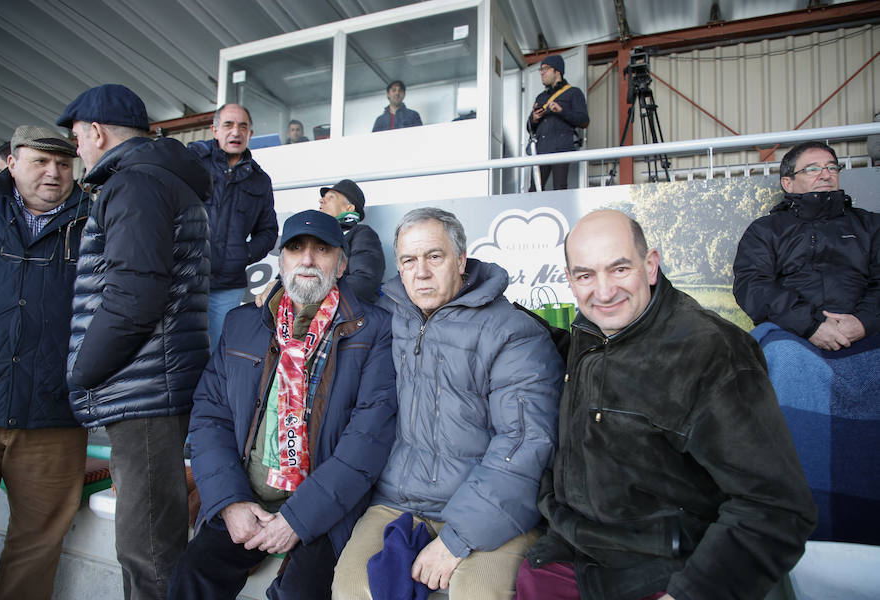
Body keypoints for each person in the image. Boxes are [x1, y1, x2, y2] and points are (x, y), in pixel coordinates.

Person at [515, 210, 816, 600]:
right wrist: (476, 297)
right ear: (571, 280)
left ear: (651, 265)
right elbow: (582, 356)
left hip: (663, 571)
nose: (604, 291)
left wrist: (690, 594)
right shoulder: (592, 331)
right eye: (586, 275)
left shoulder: (711, 352)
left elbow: (776, 507)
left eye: (620, 269)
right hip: (571, 552)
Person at [332, 208, 563, 600]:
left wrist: (456, 539)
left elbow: (524, 444)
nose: (421, 272)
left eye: (434, 257)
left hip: (495, 508)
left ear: (460, 259)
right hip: (396, 500)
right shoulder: (385, 319)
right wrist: (273, 296)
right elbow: (317, 309)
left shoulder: (513, 333)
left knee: (477, 594)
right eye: (408, 260)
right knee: (352, 590)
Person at [170, 209, 397, 600]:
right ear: (281, 261)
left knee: (299, 593)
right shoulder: (244, 324)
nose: (308, 259)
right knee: (192, 577)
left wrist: (300, 518)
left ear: (341, 264)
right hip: (249, 496)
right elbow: (210, 418)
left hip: (327, 507)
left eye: (322, 249)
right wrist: (229, 501)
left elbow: (368, 439)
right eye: (295, 248)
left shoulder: (374, 329)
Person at [58, 83, 211, 600]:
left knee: (148, 553)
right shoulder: (156, 179)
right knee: (153, 546)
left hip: (144, 390)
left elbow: (135, 296)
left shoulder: (136, 184)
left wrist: (82, 373)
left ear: (97, 131)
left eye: (77, 137)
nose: (77, 149)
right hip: (153, 383)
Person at [733, 140, 880, 544]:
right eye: (813, 168)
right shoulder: (766, 230)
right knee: (781, 359)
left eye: (831, 166)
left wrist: (863, 323)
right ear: (788, 182)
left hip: (865, 332)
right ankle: (787, 504)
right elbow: (753, 286)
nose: (825, 173)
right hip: (794, 334)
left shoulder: (871, 225)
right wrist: (812, 325)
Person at [0, 125, 89, 599]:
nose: (54, 172)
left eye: (64, 164)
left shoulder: (96, 221)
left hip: (54, 414)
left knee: (35, 549)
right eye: (40, 161)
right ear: (10, 161)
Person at [189, 103, 278, 352]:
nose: (235, 132)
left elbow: (268, 231)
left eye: (243, 126)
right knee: (180, 351)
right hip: (186, 278)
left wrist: (244, 254)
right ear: (215, 130)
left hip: (228, 285)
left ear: (250, 133)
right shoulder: (193, 162)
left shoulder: (260, 180)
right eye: (228, 125)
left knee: (218, 352)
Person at [526, 54, 589, 191]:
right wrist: (534, 119)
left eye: (546, 69)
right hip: (541, 150)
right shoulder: (541, 97)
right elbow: (530, 128)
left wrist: (561, 111)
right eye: (541, 70)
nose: (542, 73)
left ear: (557, 71)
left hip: (561, 149)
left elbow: (584, 121)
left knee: (560, 189)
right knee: (534, 190)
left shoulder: (573, 93)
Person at [318, 179, 385, 302]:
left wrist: (316, 296)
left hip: (348, 314)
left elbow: (364, 280)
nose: (321, 200)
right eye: (323, 198)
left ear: (348, 208)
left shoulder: (361, 234)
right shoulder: (314, 238)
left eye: (331, 197)